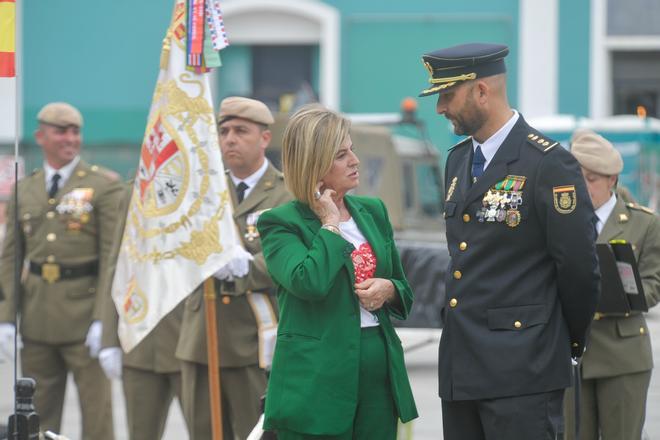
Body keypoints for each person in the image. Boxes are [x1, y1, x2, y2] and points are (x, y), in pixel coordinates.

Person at [418, 43, 601, 439]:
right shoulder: (458, 160)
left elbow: (578, 267)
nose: (440, 109)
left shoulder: (548, 163)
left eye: (447, 96)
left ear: (481, 91)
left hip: (524, 368)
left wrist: (562, 340)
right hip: (462, 367)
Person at [256, 104, 418, 439]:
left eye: (353, 150)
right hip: (316, 381)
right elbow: (308, 282)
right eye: (341, 154)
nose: (355, 161)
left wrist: (388, 288)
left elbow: (404, 290)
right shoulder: (281, 222)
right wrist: (330, 225)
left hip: (378, 373)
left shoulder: (373, 212)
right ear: (313, 162)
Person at [0, 102, 122, 439]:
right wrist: (6, 316)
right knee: (37, 416)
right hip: (38, 318)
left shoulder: (104, 186)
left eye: (75, 131)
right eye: (61, 131)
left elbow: (112, 257)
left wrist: (104, 320)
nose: (70, 138)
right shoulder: (26, 189)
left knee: (97, 418)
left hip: (86, 318)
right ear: (41, 136)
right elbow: (10, 257)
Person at [175, 96, 292, 439]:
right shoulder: (203, 192)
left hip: (253, 341)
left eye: (241, 131)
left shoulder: (285, 194)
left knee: (252, 433)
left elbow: (288, 257)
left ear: (265, 138)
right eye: (224, 131)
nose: (230, 139)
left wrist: (249, 268)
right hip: (202, 335)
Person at [563, 130, 660, 440]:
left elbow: (653, 282)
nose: (583, 186)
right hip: (570, 354)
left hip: (622, 353)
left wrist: (624, 295)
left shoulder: (644, 223)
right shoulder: (562, 220)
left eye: (591, 179)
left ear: (612, 180)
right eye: (578, 177)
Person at [98, 181, 187, 440]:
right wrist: (109, 339)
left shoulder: (206, 184)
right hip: (140, 340)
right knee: (141, 433)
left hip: (192, 341)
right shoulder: (136, 190)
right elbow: (119, 261)